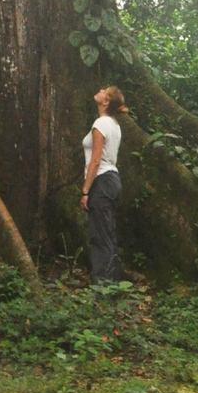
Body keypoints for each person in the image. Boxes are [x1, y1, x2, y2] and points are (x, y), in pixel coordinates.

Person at [80, 84, 127, 284]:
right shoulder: (114, 125)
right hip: (112, 180)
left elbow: (96, 160)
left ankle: (103, 285)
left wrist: (85, 191)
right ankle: (112, 280)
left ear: (106, 101)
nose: (99, 90)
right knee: (107, 232)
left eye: (104, 91)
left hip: (102, 180)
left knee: (99, 235)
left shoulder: (100, 124)